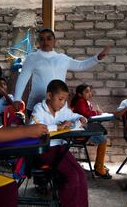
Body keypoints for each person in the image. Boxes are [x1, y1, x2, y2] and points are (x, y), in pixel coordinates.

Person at [14, 28, 110, 116]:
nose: (45, 41)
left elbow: (81, 65)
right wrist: (17, 98)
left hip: (59, 106)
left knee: (59, 132)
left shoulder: (62, 58)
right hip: (37, 104)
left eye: (49, 38)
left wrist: (98, 58)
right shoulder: (32, 58)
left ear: (54, 41)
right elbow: (23, 78)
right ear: (38, 42)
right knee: (39, 133)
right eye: (42, 39)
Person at [31, 79, 88, 207]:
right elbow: (33, 128)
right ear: (49, 96)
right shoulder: (39, 109)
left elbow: (74, 116)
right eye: (60, 99)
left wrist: (80, 118)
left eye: (65, 100)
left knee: (81, 175)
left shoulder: (63, 110)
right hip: (44, 150)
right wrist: (58, 127)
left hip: (61, 148)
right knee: (72, 176)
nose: (63, 103)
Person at [71, 83, 111, 179]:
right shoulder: (81, 102)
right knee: (103, 141)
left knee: (103, 138)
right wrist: (97, 112)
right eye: (86, 91)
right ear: (80, 94)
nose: (89, 93)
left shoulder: (85, 102)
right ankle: (99, 169)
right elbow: (86, 114)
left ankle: (99, 165)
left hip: (84, 127)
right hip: (80, 130)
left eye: (90, 91)